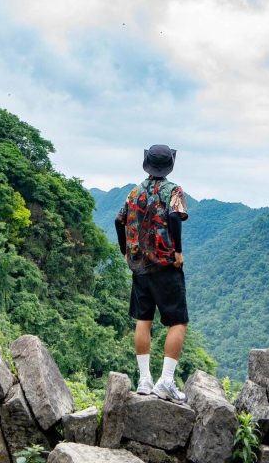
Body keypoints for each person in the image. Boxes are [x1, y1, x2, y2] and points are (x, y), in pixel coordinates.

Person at [115, 144, 189, 402]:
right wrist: (177, 251)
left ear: (147, 162)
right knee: (177, 321)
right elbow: (175, 217)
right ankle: (166, 381)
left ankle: (144, 379)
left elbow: (119, 220)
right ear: (170, 164)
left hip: (140, 266)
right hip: (165, 264)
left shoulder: (134, 192)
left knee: (143, 319)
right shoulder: (173, 191)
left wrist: (125, 250)